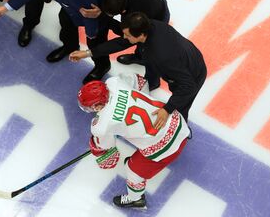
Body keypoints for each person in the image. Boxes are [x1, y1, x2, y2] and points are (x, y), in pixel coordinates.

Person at [0, 0, 116, 83]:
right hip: (71, 2)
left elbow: (90, 13)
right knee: (65, 21)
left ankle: (102, 65)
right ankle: (70, 47)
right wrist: (4, 8)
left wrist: (91, 33)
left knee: (95, 40)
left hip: (98, 6)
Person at [78, 74, 190, 209]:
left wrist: (99, 143)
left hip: (167, 147)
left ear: (98, 105)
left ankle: (136, 200)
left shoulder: (101, 125)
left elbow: (106, 146)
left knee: (133, 170)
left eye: (91, 107)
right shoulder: (114, 82)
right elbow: (141, 81)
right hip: (177, 121)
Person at [117, 12, 207, 127]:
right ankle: (152, 83)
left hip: (193, 73)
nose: (124, 37)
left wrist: (167, 109)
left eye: (128, 35)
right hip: (187, 55)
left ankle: (180, 129)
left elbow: (188, 86)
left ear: (141, 35)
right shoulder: (152, 25)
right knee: (151, 63)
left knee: (179, 106)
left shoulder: (162, 57)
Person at [69, 0, 170, 64]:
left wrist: (89, 53)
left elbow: (123, 40)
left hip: (158, 15)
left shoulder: (136, 18)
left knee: (144, 41)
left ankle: (140, 57)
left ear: (123, 12)